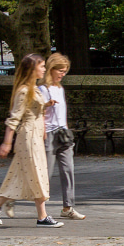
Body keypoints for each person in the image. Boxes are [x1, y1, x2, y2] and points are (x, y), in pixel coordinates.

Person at [0, 53, 63, 227]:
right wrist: (6, 143)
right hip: (28, 137)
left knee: (23, 175)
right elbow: (14, 118)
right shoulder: (24, 91)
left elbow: (32, 109)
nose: (44, 69)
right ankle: (42, 217)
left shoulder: (34, 89)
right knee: (37, 174)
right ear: (32, 69)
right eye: (42, 66)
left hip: (35, 135)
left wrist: (45, 105)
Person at [39, 52, 84, 220]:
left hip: (63, 134)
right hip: (48, 134)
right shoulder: (43, 89)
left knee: (68, 170)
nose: (63, 74)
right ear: (51, 69)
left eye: (65, 71)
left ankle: (68, 206)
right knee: (45, 174)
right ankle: (39, 209)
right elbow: (38, 112)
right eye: (60, 71)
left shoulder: (59, 88)